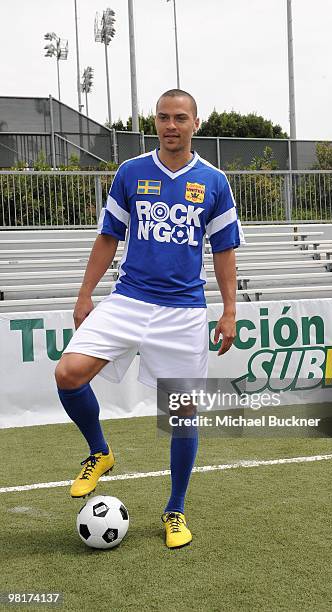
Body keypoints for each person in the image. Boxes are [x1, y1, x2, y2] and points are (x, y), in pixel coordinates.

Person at [54, 89, 244, 549]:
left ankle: (175, 510)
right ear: (154, 122)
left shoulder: (214, 182)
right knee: (68, 373)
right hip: (129, 299)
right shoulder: (131, 172)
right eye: (163, 117)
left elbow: (224, 251)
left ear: (196, 123)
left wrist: (230, 311)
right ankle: (100, 451)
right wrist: (85, 295)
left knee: (182, 416)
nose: (171, 125)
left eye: (180, 118)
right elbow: (107, 238)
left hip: (183, 312)